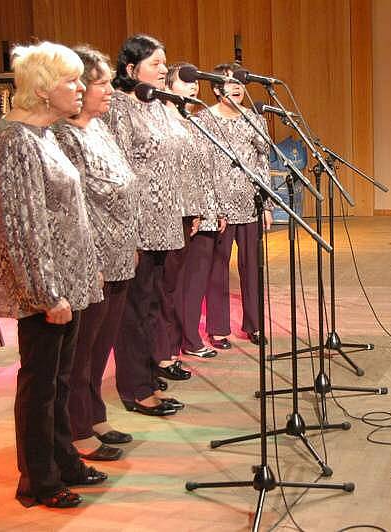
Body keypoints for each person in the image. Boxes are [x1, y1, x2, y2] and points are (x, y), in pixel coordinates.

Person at [0, 41, 106, 508]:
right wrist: (48, 293)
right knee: (40, 382)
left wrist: (83, 269)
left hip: (66, 282)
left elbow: (63, 213)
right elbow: (24, 226)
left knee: (60, 379)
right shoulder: (14, 140)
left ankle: (63, 459)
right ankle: (38, 477)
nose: (80, 88)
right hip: (43, 289)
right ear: (42, 88)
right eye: (71, 80)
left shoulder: (44, 133)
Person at [52, 46, 137, 461]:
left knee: (101, 346)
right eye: (102, 82)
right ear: (80, 87)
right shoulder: (65, 136)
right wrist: (94, 261)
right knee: (81, 351)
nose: (109, 90)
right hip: (94, 259)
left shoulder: (99, 128)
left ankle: (95, 413)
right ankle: (77, 426)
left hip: (119, 252)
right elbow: (76, 204)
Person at [102, 34, 188, 417]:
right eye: (156, 63)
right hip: (135, 224)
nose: (164, 69)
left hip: (164, 220)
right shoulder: (118, 108)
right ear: (130, 69)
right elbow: (117, 171)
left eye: (164, 63)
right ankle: (135, 388)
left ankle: (149, 373)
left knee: (153, 304)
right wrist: (128, 233)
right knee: (134, 310)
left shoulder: (158, 105)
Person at [196, 62, 273, 349]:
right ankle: (217, 328)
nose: (238, 87)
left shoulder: (255, 119)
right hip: (220, 207)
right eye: (230, 82)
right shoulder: (204, 119)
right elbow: (201, 167)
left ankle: (254, 325)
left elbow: (263, 162)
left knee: (252, 267)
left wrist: (266, 205)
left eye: (240, 82)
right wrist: (210, 207)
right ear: (216, 88)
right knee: (218, 268)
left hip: (250, 203)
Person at [159, 62, 224, 359]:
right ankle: (176, 342)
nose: (193, 86)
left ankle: (186, 338)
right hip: (179, 212)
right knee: (178, 283)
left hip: (201, 209)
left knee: (195, 281)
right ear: (167, 87)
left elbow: (205, 169)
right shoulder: (165, 121)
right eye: (184, 82)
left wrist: (213, 208)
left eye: (194, 83)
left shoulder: (194, 120)